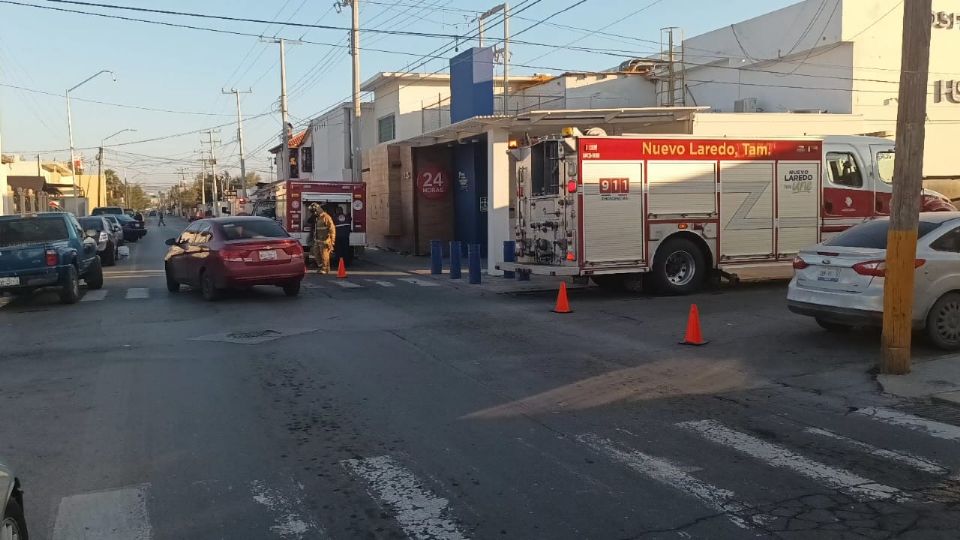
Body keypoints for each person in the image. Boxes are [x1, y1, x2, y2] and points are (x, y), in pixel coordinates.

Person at [309, 203, 336, 274]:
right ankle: (321, 267)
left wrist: (332, 241)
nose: (314, 213)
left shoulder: (326, 217)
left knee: (324, 255)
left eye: (314, 211)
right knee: (316, 253)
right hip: (317, 240)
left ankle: (325, 269)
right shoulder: (317, 217)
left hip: (325, 240)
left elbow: (332, 229)